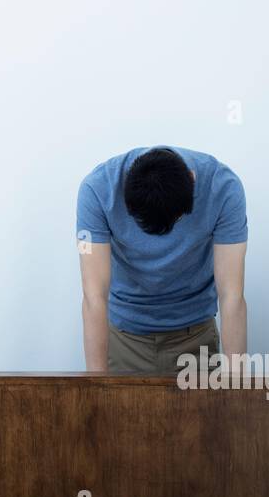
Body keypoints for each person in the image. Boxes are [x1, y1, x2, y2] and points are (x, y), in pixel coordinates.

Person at [76, 145, 247, 373]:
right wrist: (95, 387)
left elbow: (232, 295)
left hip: (196, 339)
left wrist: (237, 384)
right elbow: (93, 296)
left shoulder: (224, 188)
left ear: (192, 180)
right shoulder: (96, 190)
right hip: (124, 340)